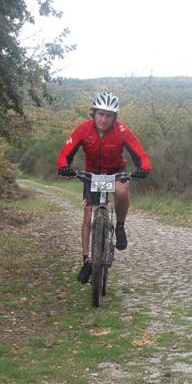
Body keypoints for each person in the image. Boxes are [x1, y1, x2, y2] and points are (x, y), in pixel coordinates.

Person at [57, 92, 151, 283]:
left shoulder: (122, 130)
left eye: (109, 115)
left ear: (114, 117)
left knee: (122, 191)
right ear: (94, 113)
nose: (104, 119)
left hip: (115, 170)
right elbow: (65, 153)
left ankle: (120, 226)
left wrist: (143, 168)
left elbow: (140, 153)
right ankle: (86, 260)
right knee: (88, 214)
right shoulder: (83, 129)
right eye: (101, 114)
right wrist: (63, 166)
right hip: (92, 173)